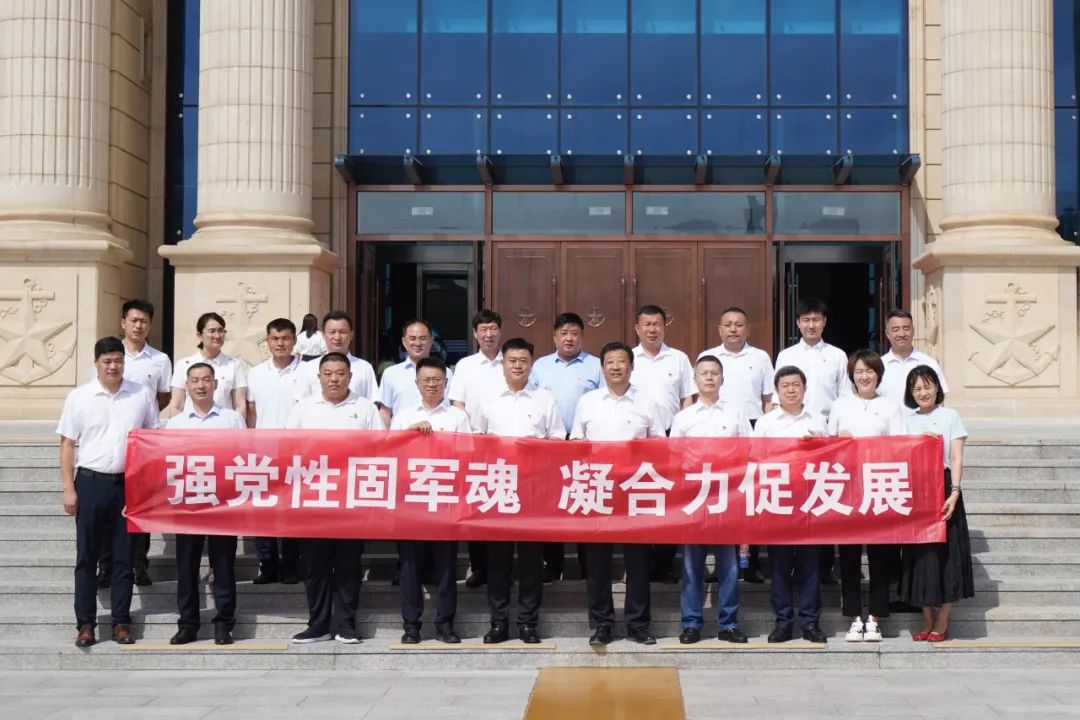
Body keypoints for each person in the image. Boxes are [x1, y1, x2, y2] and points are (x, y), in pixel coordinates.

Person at [58, 336, 159, 647]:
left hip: (128, 484)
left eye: (118, 360)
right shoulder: (80, 397)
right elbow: (67, 444)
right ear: (96, 363)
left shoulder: (141, 394)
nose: (113, 366)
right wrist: (68, 489)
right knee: (87, 558)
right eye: (107, 361)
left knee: (123, 558)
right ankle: (85, 624)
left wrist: (144, 490)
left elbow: (152, 442)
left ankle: (121, 621)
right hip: (90, 482)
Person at [285, 352, 386, 644]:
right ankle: (317, 624)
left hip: (351, 501)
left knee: (348, 565)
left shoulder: (365, 408)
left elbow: (380, 449)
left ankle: (346, 624)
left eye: (340, 374)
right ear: (318, 377)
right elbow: (288, 449)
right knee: (315, 566)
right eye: (328, 374)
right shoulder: (303, 408)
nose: (334, 379)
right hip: (313, 500)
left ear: (350, 377)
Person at [570, 341, 665, 646]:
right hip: (598, 489)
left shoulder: (647, 401)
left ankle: (638, 624)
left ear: (631, 367)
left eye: (621, 361)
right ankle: (602, 624)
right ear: (602, 368)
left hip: (635, 489)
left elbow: (659, 444)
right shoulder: (588, 402)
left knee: (638, 562)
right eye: (610, 362)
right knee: (597, 563)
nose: (615, 367)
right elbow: (576, 442)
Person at [472, 337, 564, 645]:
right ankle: (498, 623)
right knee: (497, 561)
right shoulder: (487, 398)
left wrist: (536, 449)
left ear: (531, 364)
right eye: (512, 360)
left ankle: (528, 622)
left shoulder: (544, 399)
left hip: (533, 487)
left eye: (523, 361)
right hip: (497, 486)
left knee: (530, 561)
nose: (517, 366)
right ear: (503, 363)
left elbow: (558, 438)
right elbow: (476, 437)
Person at [390, 356, 470, 645]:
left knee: (446, 566)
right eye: (426, 380)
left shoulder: (458, 417)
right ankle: (411, 625)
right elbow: (389, 452)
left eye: (437, 380)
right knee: (409, 566)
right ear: (417, 383)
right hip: (411, 500)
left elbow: (468, 453)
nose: (432, 385)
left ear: (446, 383)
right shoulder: (403, 415)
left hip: (446, 499)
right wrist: (409, 434)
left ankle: (445, 624)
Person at [827, 349, 906, 643]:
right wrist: (839, 442)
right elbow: (828, 446)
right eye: (859, 371)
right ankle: (853, 616)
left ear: (878, 374)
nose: (864, 376)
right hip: (847, 485)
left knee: (879, 554)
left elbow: (900, 446)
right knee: (848, 554)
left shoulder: (890, 406)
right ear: (851, 376)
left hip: (880, 485)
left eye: (869, 371)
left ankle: (875, 617)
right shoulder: (840, 405)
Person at [672, 355, 751, 645]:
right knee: (691, 565)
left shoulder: (735, 413)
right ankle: (691, 623)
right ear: (695, 379)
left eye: (714, 373)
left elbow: (749, 450)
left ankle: (728, 624)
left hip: (727, 496)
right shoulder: (684, 417)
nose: (708, 378)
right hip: (694, 497)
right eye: (703, 373)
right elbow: (674, 458)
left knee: (728, 565)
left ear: (722, 379)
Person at [166, 363, 246, 645]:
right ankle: (188, 624)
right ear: (187, 385)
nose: (200, 385)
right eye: (195, 380)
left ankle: (224, 623)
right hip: (188, 504)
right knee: (186, 567)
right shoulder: (175, 424)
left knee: (223, 565)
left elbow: (244, 457)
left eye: (206, 380)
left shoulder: (232, 420)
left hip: (222, 503)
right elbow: (165, 465)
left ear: (216, 384)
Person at [95, 299, 172, 590]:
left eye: (144, 321)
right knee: (107, 513)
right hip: (108, 444)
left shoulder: (160, 360)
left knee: (140, 508)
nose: (139, 326)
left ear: (150, 325)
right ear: (123, 323)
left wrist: (139, 417)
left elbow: (163, 397)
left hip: (142, 446)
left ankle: (139, 564)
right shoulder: (110, 356)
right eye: (134, 320)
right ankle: (105, 566)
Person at [773, 297, 849, 584]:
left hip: (824, 434)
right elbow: (778, 395)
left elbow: (844, 397)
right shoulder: (786, 355)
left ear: (824, 322)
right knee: (791, 498)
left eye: (816, 319)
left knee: (822, 497)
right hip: (791, 434)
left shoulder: (837, 355)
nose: (811, 324)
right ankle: (790, 564)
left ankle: (824, 566)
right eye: (806, 320)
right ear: (798, 323)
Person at [698, 306, 775, 584]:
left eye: (738, 324)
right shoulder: (708, 358)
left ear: (747, 329)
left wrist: (764, 435)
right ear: (719, 329)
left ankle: (750, 563)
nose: (733, 329)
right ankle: (720, 563)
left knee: (747, 499)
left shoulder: (760, 357)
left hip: (751, 429)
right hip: (716, 432)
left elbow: (769, 399)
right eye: (728, 324)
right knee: (719, 499)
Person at [753, 366, 828, 644]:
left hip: (810, 499)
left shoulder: (818, 421)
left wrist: (818, 444)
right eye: (785, 386)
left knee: (810, 566)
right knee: (779, 566)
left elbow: (832, 458)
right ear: (776, 391)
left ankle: (810, 622)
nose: (791, 390)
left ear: (804, 388)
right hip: (777, 500)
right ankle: (783, 622)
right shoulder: (765, 423)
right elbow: (754, 459)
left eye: (796, 385)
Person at [902, 365, 974, 642]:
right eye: (917, 388)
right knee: (921, 555)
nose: (923, 392)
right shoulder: (906, 420)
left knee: (947, 554)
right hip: (915, 488)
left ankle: (943, 617)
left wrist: (954, 492)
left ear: (937, 388)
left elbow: (956, 457)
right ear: (911, 393)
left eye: (927, 386)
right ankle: (926, 617)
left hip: (943, 486)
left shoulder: (950, 416)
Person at [529, 312, 602, 583]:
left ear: (582, 336)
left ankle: (588, 565)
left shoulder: (596, 365)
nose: (568, 338)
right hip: (551, 444)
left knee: (586, 502)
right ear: (554, 337)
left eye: (574, 333)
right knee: (551, 505)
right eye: (563, 333)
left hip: (585, 445)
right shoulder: (540, 366)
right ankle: (553, 564)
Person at [629, 304, 694, 585]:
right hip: (638, 441)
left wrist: (683, 434)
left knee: (669, 501)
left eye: (657, 324)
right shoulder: (628, 359)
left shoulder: (678, 359)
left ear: (664, 327)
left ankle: (665, 565)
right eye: (647, 324)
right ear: (637, 328)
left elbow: (687, 398)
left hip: (671, 437)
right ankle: (641, 565)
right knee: (640, 500)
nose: (652, 329)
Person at [447, 309, 506, 590]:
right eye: (483, 329)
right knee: (477, 506)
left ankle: (504, 567)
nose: (489, 334)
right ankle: (479, 567)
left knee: (504, 505)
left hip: (505, 447)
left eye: (493, 328)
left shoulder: (511, 362)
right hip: (473, 448)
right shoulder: (465, 366)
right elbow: (457, 404)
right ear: (475, 334)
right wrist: (469, 438)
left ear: (500, 331)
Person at [246, 318, 305, 585]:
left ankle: (291, 564)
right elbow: (251, 411)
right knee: (264, 510)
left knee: (293, 510)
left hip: (297, 453)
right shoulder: (256, 373)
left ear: (294, 340)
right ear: (267, 341)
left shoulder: (308, 372)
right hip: (263, 453)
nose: (280, 343)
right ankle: (267, 564)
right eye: (275, 339)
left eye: (285, 338)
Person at [378, 318, 453, 427]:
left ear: (431, 340)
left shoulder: (446, 373)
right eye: (412, 338)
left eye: (423, 338)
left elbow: (451, 407)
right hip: (403, 435)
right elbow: (385, 412)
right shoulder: (390, 374)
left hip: (437, 434)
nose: (417, 343)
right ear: (404, 341)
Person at [168, 312, 248, 413]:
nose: (217, 335)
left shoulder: (233, 365)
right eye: (212, 331)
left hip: (223, 422)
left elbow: (240, 405)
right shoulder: (183, 365)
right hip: (191, 422)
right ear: (199, 335)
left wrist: (236, 422)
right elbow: (176, 406)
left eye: (221, 331)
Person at [298, 310, 378, 402]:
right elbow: (301, 404)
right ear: (323, 335)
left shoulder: (365, 368)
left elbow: (373, 403)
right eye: (332, 332)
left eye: (343, 332)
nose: (337, 337)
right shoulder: (308, 368)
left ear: (351, 335)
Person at [879, 309, 950, 408]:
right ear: (887, 334)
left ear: (913, 331)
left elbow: (939, 401)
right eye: (896, 330)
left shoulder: (929, 363)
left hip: (923, 418)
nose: (902, 334)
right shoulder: (878, 366)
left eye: (906, 328)